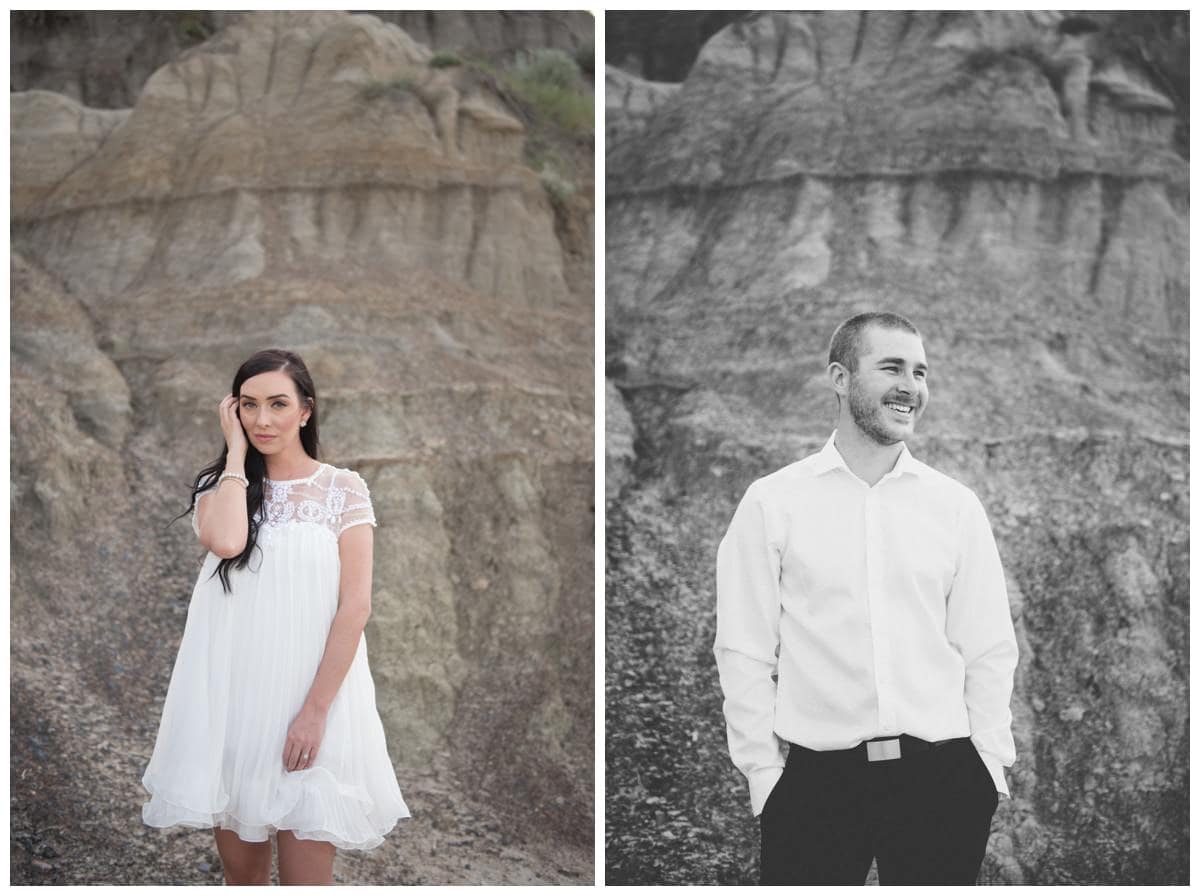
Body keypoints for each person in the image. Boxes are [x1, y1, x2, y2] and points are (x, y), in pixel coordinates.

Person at [713, 312, 1017, 885]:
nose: (912, 386)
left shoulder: (955, 507)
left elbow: (988, 647)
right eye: (892, 368)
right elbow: (744, 650)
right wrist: (764, 776)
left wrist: (988, 769)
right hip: (816, 786)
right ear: (840, 377)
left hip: (944, 781)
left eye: (921, 372)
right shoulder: (772, 503)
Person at [142, 348, 409, 884]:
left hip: (315, 705)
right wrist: (236, 460)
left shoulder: (342, 489)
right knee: (242, 883)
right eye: (248, 406)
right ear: (233, 412)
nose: (262, 420)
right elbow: (228, 540)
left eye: (278, 404)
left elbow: (355, 607)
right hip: (235, 707)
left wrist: (314, 712)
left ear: (306, 410)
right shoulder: (220, 489)